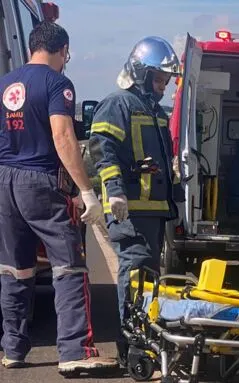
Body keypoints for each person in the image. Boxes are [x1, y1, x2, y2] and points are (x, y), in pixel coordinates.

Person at [0, 21, 116, 374]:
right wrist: (86, 191)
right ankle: (74, 350)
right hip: (40, 181)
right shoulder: (57, 84)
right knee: (69, 265)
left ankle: (13, 349)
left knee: (15, 269)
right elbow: (63, 137)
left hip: (4, 179)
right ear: (62, 50)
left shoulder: (5, 83)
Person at [88, 37, 183, 365]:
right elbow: (102, 147)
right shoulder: (119, 103)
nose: (162, 87)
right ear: (141, 73)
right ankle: (131, 346)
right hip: (130, 209)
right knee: (135, 277)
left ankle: (142, 337)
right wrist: (114, 189)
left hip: (153, 212)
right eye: (158, 79)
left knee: (148, 279)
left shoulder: (155, 111)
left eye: (166, 81)